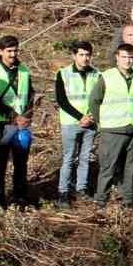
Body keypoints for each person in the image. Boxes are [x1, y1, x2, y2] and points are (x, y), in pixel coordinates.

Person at [90, 43, 133, 208]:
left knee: (131, 169)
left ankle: (129, 201)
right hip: (113, 130)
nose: (127, 60)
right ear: (117, 58)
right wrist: (101, 122)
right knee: (108, 168)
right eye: (124, 57)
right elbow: (94, 101)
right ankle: (101, 201)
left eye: (131, 57)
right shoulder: (107, 76)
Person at [0, 35, 35, 210]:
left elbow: (30, 94)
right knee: (0, 163)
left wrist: (27, 116)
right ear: (0, 51)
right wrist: (14, 116)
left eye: (15, 50)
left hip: (21, 124)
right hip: (0, 124)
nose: (13, 54)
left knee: (21, 163)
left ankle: (20, 196)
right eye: (9, 51)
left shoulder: (25, 70)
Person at [54, 40, 98, 206]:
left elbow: (99, 98)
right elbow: (61, 100)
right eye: (81, 55)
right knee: (69, 158)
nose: (85, 58)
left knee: (85, 158)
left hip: (91, 122)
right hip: (71, 122)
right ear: (74, 55)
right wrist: (80, 117)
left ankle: (81, 188)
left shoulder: (97, 74)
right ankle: (63, 192)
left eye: (88, 55)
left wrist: (92, 116)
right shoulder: (63, 73)